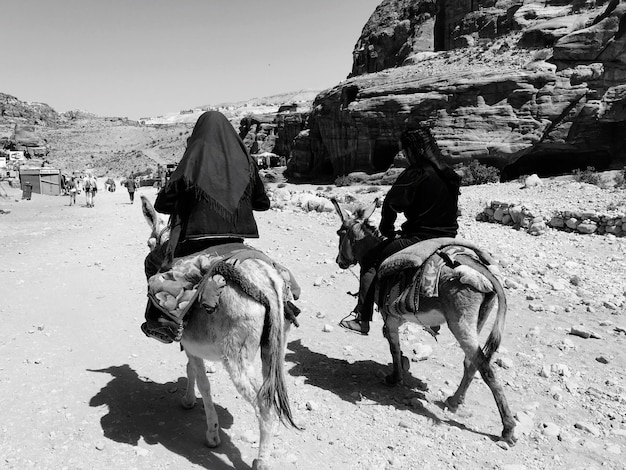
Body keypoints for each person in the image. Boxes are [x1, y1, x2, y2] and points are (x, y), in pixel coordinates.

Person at [142, 111, 279, 343]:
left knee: (153, 262)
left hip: (198, 241)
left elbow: (161, 204)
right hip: (236, 242)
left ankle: (163, 322)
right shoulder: (246, 161)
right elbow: (262, 203)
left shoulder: (193, 158)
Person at [340, 124, 461, 335]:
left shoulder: (416, 173)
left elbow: (391, 203)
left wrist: (387, 228)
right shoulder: (449, 173)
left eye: (405, 151)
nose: (404, 155)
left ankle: (362, 318)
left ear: (413, 150)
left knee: (370, 262)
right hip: (449, 238)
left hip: (419, 238)